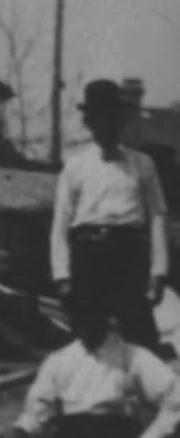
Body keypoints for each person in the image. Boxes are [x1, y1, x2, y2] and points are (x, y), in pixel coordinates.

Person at [5, 301, 180, 438]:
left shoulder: (134, 356)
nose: (86, 328)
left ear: (108, 320)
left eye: (94, 320)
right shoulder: (60, 359)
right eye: (79, 320)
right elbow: (38, 409)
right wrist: (21, 430)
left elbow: (176, 400)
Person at [50, 79, 171, 356]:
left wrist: (158, 272)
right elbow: (60, 224)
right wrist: (61, 274)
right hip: (88, 257)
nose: (107, 126)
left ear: (121, 120)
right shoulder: (75, 166)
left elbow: (158, 217)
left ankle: (143, 396)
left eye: (113, 118)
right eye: (100, 119)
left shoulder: (143, 164)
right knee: (88, 339)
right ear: (89, 122)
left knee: (140, 337)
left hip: (129, 256)